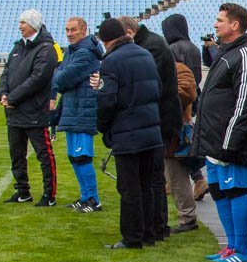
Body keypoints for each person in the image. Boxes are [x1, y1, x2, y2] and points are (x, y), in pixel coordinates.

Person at [193, 3, 247, 262]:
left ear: (235, 25)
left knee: (235, 191)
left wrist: (230, 142)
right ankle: (230, 246)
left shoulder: (245, 54)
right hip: (215, 141)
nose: (215, 24)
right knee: (219, 191)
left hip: (230, 142)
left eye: (220, 20)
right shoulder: (226, 52)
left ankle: (242, 249)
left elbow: (245, 103)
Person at [95, 18, 164, 249]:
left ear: (107, 41)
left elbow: (107, 101)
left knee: (129, 187)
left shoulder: (110, 62)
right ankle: (149, 232)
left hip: (127, 132)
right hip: (151, 129)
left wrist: (103, 127)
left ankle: (132, 237)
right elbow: (158, 90)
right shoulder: (145, 55)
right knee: (147, 186)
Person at [119, 16, 180, 242]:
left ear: (128, 32)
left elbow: (147, 84)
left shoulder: (151, 47)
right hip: (158, 117)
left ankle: (156, 225)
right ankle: (154, 225)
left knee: (154, 177)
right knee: (154, 176)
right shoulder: (151, 43)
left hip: (159, 119)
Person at [0, 9, 59, 207]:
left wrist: (13, 97)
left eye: (23, 22)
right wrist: (3, 94)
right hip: (14, 111)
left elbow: (38, 79)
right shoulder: (18, 47)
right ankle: (22, 191)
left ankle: (49, 195)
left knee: (44, 155)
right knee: (16, 154)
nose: (20, 26)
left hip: (34, 111)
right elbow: (6, 72)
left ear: (33, 24)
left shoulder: (46, 48)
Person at [53, 16, 103, 212]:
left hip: (83, 110)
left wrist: (58, 75)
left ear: (84, 30)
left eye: (73, 30)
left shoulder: (85, 53)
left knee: (82, 156)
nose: (69, 34)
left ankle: (94, 199)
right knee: (74, 156)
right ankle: (85, 197)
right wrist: (59, 75)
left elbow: (61, 78)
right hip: (73, 109)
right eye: (67, 29)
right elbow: (59, 76)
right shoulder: (73, 52)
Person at [162, 13, 210, 208]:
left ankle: (192, 179)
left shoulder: (173, 48)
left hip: (181, 99)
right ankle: (193, 179)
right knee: (186, 139)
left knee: (179, 142)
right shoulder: (193, 47)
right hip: (194, 95)